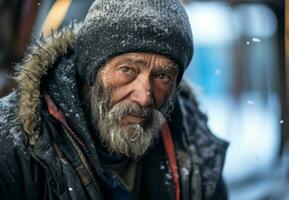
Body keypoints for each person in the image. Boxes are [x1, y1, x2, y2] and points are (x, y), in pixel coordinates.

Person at [0, 0, 228, 199]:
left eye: (162, 76)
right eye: (128, 69)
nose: (144, 96)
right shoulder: (11, 146)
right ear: (91, 71)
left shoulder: (194, 148)